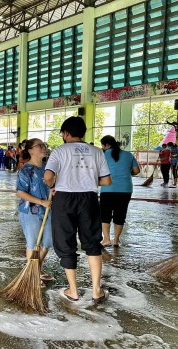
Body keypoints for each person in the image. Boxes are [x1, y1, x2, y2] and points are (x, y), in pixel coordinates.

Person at [43, 117, 111, 303]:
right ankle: (96, 291)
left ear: (65, 133)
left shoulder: (59, 150)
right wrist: (86, 179)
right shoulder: (97, 151)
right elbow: (106, 181)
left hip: (64, 198)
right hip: (88, 199)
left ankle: (73, 291)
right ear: (83, 132)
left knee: (65, 243)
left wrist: (52, 186)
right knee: (92, 243)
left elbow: (48, 176)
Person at [16, 139, 53, 283]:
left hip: (49, 210)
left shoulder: (48, 169)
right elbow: (21, 193)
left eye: (44, 145)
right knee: (33, 243)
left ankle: (35, 268)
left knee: (47, 241)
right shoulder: (25, 170)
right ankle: (33, 275)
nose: (43, 148)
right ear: (31, 151)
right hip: (30, 212)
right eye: (40, 146)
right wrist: (41, 201)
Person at [99, 135, 140, 247]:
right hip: (125, 189)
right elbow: (136, 171)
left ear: (106, 145)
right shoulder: (128, 155)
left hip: (107, 188)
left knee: (105, 214)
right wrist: (127, 172)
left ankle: (106, 239)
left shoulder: (102, 155)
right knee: (120, 214)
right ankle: (116, 240)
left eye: (102, 145)